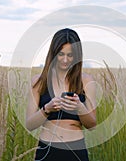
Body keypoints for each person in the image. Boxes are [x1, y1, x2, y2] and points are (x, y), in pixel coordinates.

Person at [26, 28, 97, 161]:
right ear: (53, 54)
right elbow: (29, 124)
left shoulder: (86, 81)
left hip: (76, 150)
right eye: (61, 54)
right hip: (47, 150)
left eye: (70, 55)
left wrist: (80, 107)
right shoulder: (38, 82)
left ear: (77, 56)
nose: (65, 60)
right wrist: (47, 109)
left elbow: (92, 125)